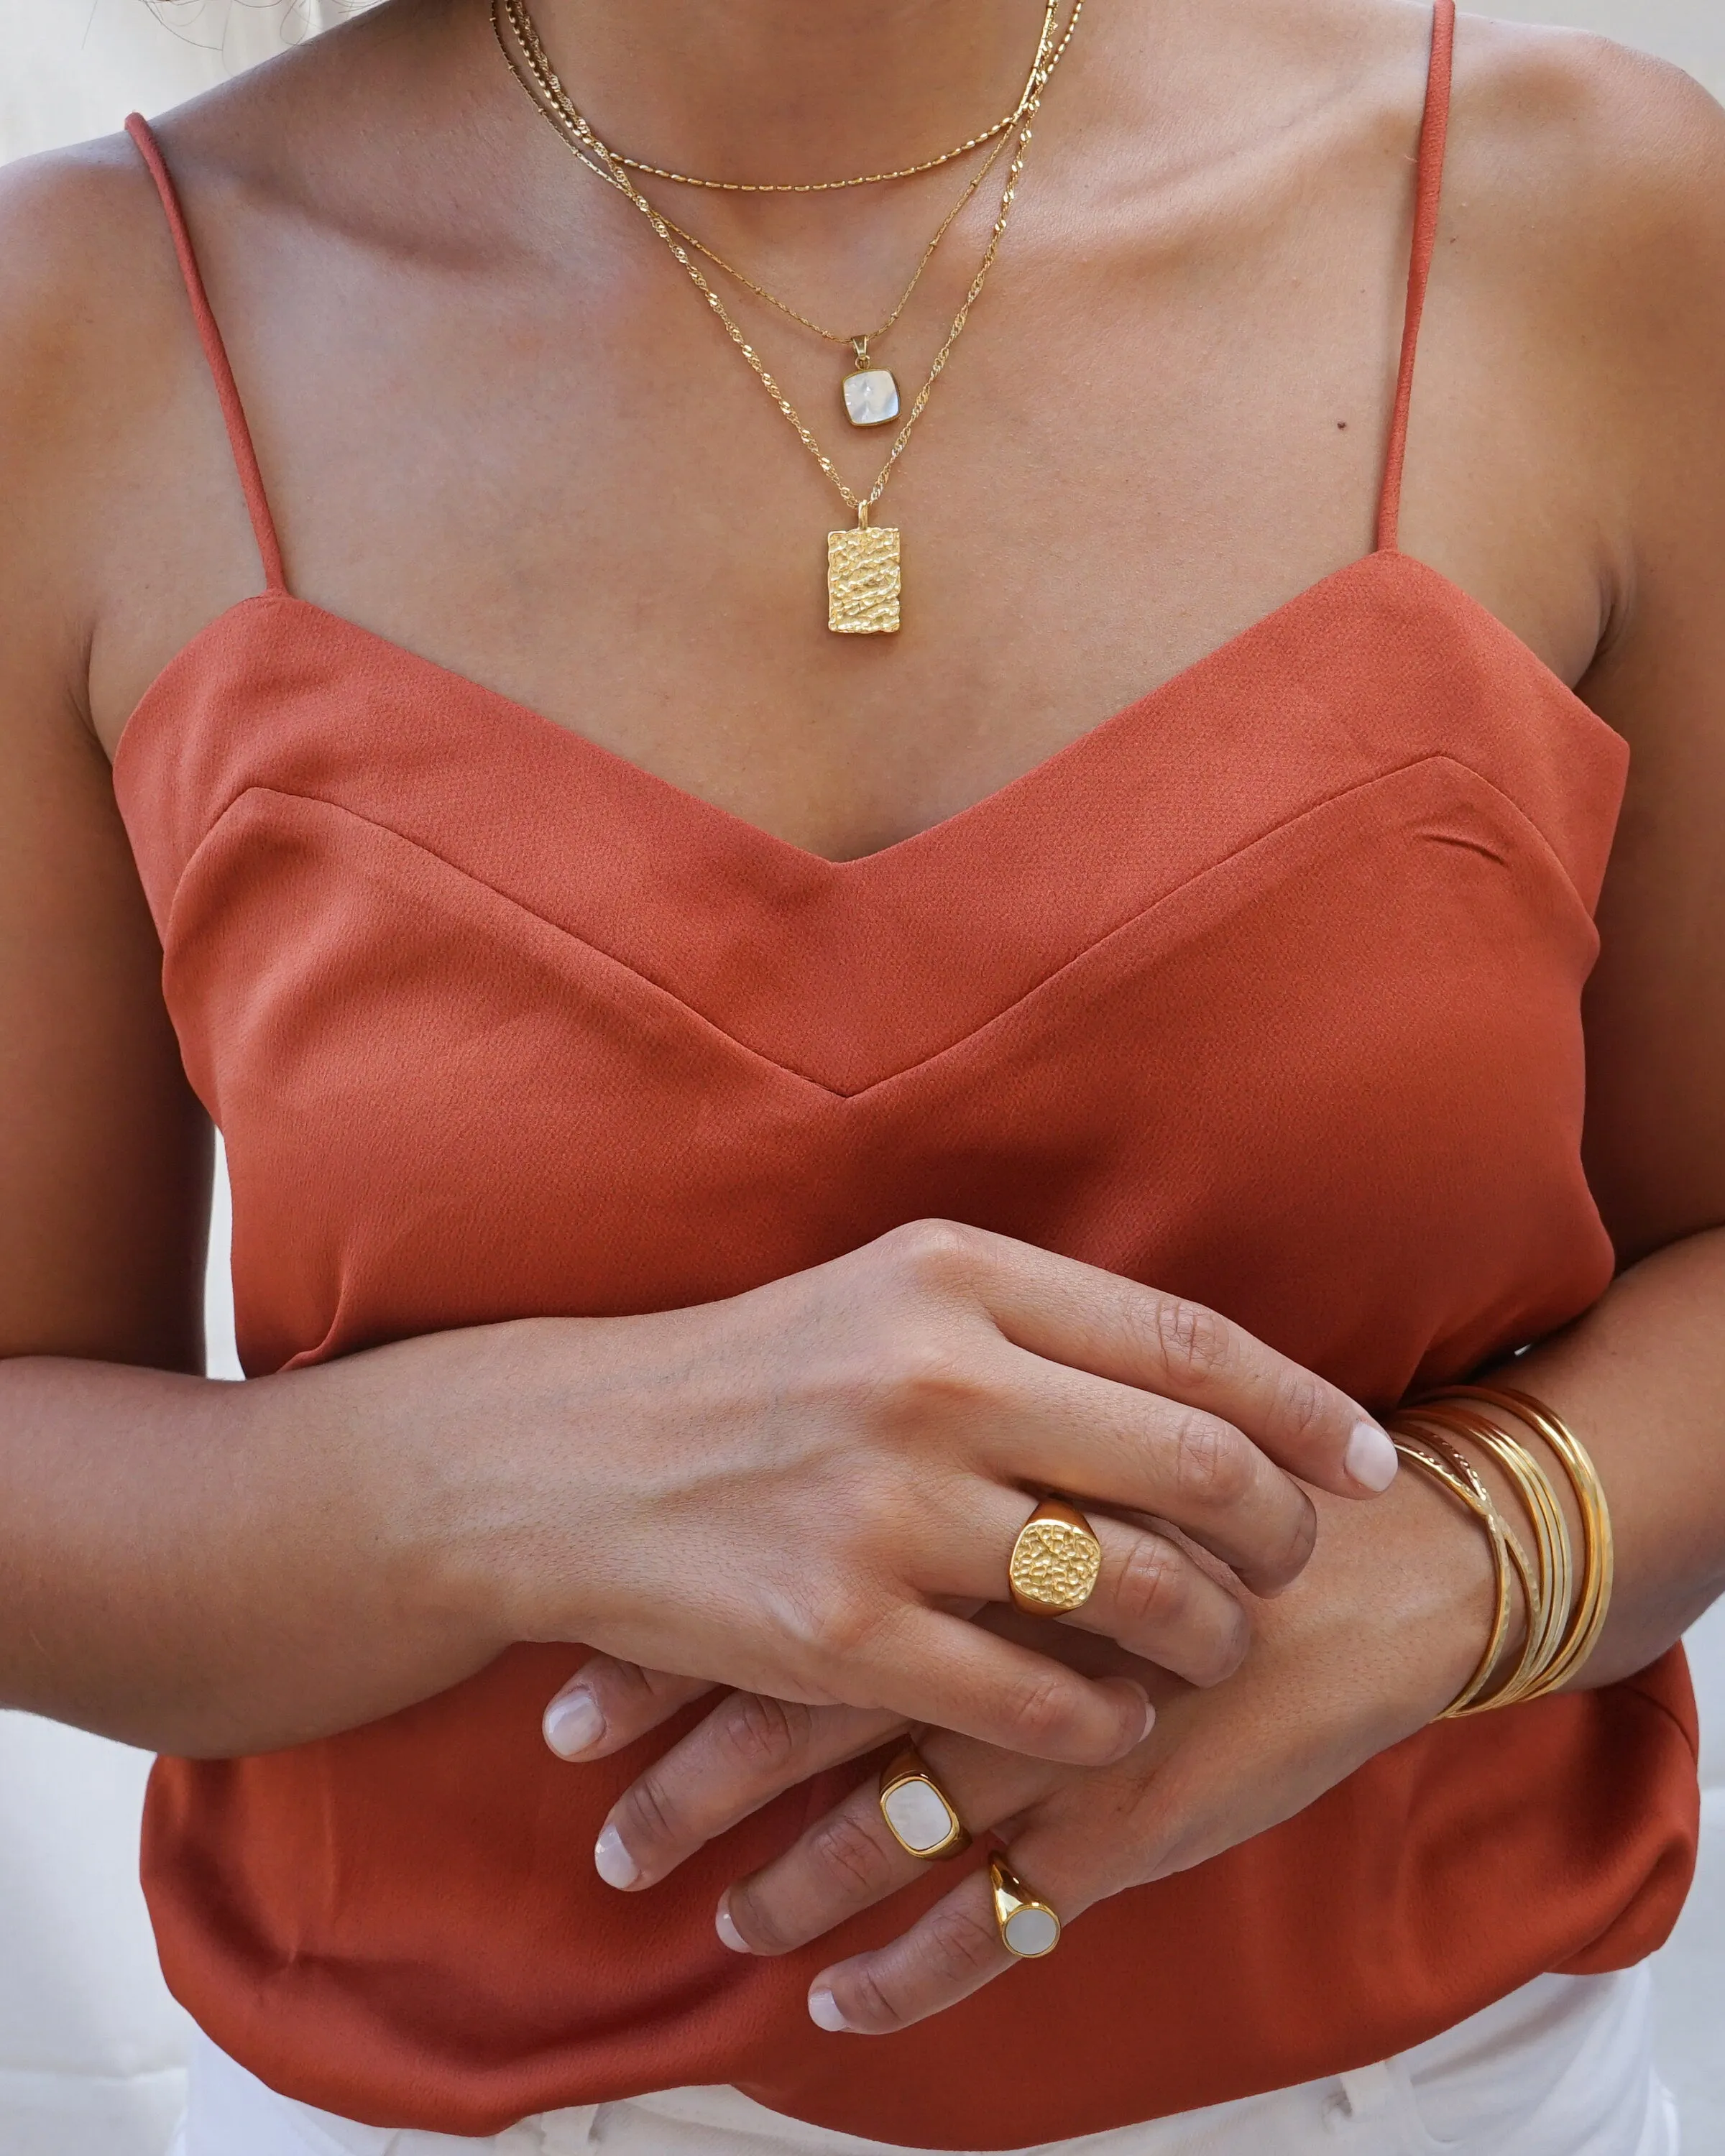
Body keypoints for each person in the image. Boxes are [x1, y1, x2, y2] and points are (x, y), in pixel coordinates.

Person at [1, 0, 1722, 2149]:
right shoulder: (84, 328)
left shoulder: (1585, 220)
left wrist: (1444, 1570)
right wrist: (501, 1479)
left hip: (1426, 2100)